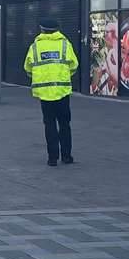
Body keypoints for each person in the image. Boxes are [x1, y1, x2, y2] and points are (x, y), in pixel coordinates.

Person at [24, 18, 78, 166]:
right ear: (57, 30)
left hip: (45, 93)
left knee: (49, 124)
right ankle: (67, 156)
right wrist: (63, 75)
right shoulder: (65, 45)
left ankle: (52, 158)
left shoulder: (35, 47)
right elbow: (74, 65)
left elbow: (28, 67)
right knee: (65, 124)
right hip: (62, 91)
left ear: (42, 30)